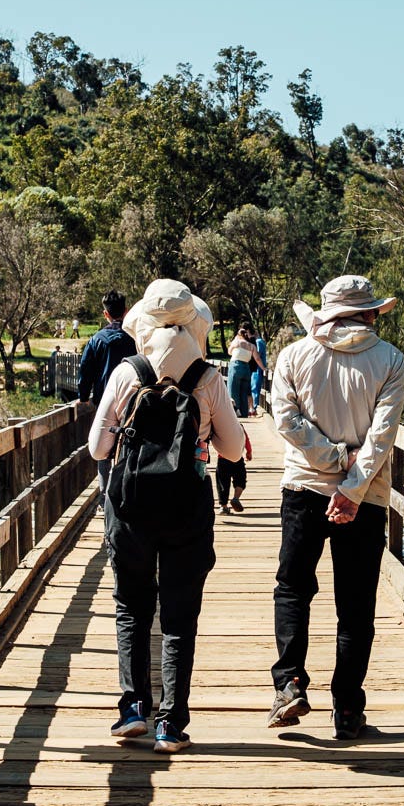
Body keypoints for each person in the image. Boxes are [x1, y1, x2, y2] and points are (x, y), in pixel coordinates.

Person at [89, 279, 244, 755]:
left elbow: (97, 447)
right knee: (179, 615)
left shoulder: (128, 372)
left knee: (131, 606)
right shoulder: (207, 377)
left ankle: (134, 708)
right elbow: (233, 449)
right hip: (186, 506)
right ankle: (171, 725)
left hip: (130, 506)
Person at [266, 275, 404, 740]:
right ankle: (346, 708)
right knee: (356, 604)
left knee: (293, 589)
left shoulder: (293, 356)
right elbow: (382, 437)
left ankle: (289, 683)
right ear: (366, 313)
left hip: (304, 488)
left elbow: (286, 421)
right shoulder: (390, 360)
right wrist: (351, 486)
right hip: (366, 498)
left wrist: (331, 460)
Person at [78, 291, 138, 494]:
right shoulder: (135, 338)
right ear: (126, 311)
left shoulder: (97, 340)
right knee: (132, 443)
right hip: (134, 402)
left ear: (106, 314)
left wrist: (83, 397)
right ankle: (129, 491)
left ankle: (105, 497)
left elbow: (85, 371)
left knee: (103, 448)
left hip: (105, 400)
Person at [226, 323, 265, 418]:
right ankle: (244, 413)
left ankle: (234, 413)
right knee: (244, 393)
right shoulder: (252, 346)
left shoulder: (237, 342)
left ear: (239, 335)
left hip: (235, 366)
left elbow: (229, 352)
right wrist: (264, 368)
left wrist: (235, 340)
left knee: (233, 391)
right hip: (246, 368)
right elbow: (257, 358)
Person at [216, 429, 252, 514]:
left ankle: (223, 506)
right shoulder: (239, 427)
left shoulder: (220, 427)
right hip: (237, 457)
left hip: (223, 458)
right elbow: (245, 439)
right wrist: (249, 452)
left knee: (222, 483)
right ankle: (236, 498)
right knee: (240, 479)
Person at [249, 332, 268, 416]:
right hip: (259, 367)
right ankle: (254, 407)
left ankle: (254, 407)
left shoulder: (258, 342)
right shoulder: (261, 341)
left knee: (255, 388)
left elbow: (258, 354)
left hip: (258, 368)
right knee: (255, 388)